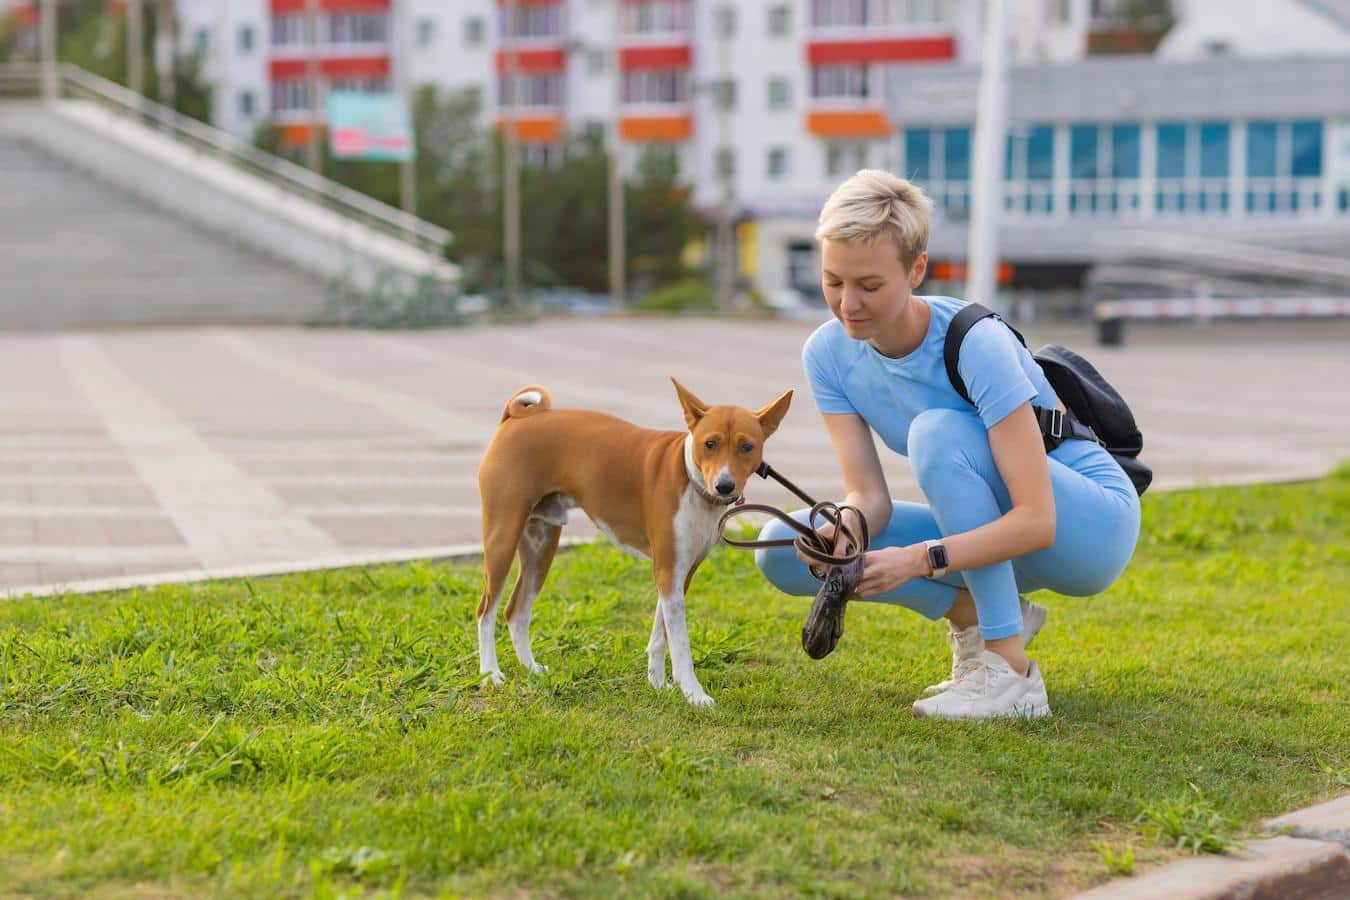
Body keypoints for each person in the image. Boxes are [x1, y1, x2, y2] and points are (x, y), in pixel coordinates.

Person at [754, 170, 1141, 720]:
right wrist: (847, 528)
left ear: (916, 269)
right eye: (833, 281)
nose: (847, 305)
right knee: (785, 548)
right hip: (989, 530)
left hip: (1087, 528)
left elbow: (1037, 521)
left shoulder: (974, 341)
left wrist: (919, 560)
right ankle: (976, 611)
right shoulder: (827, 354)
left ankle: (1010, 675)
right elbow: (869, 497)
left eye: (869, 285)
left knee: (936, 431)